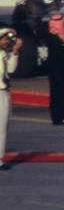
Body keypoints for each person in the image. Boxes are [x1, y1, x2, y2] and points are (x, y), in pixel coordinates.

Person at [1, 28, 23, 169]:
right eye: (4, 39)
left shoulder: (4, 54)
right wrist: (7, 30)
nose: (6, 42)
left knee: (2, 126)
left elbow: (11, 70)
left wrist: (15, 52)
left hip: (3, 92)